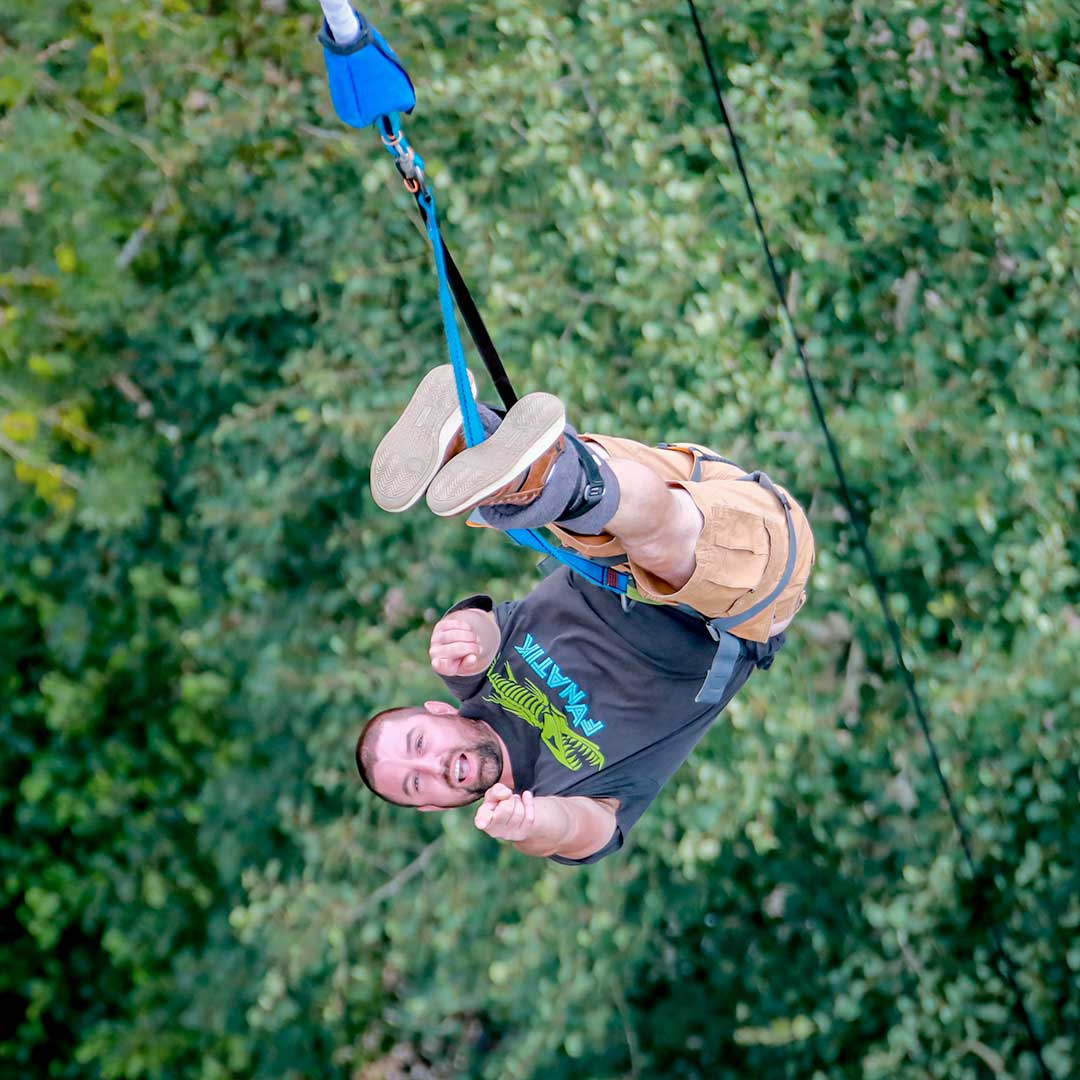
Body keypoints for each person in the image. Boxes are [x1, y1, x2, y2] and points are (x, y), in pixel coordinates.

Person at [356, 365, 815, 864]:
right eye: (415, 780)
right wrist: (532, 825)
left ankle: (480, 443)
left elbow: (480, 634)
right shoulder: (560, 794)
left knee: (594, 518)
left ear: (439, 711)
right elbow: (575, 828)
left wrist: (465, 636)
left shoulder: (471, 679)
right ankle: (549, 478)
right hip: (744, 582)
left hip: (668, 487)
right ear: (429, 805)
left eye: (420, 742)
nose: (435, 763)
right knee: (657, 547)